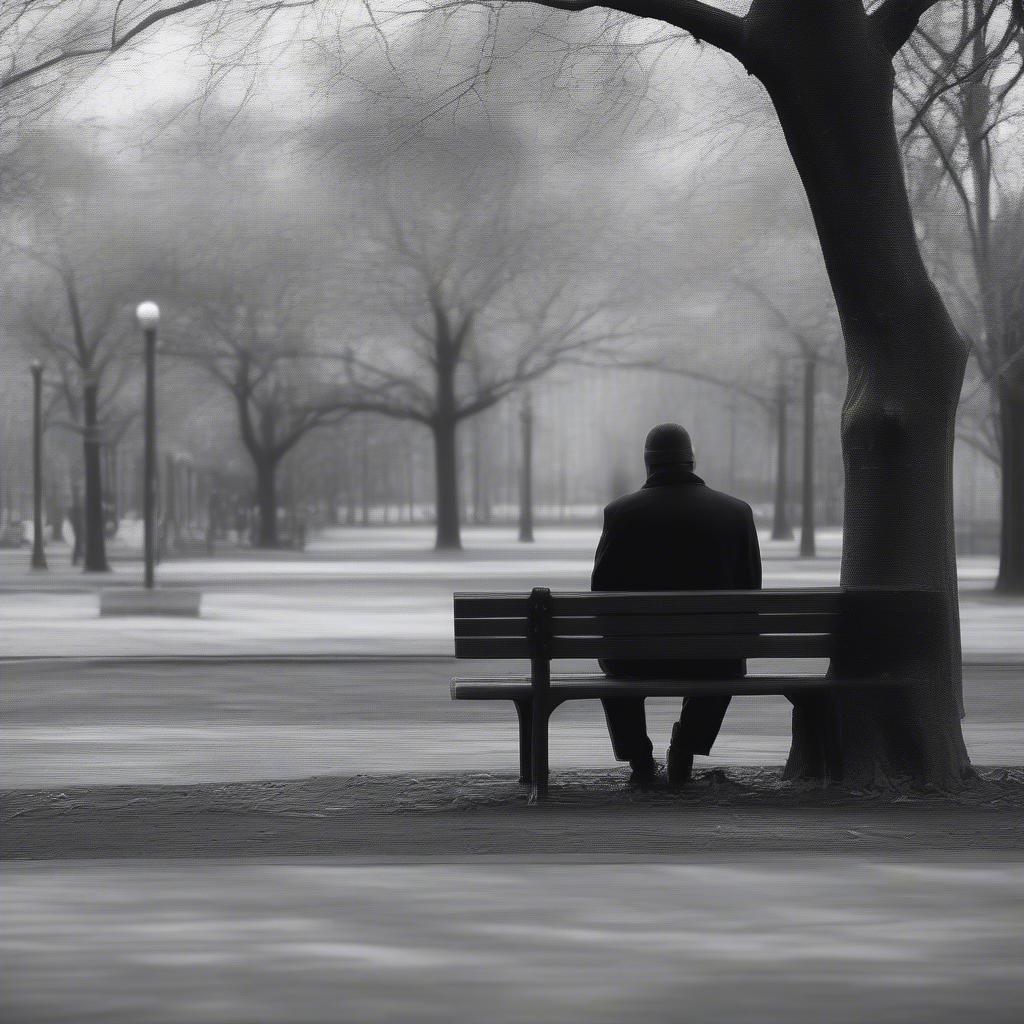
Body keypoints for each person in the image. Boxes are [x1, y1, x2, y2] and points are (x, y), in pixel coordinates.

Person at [591, 423, 761, 787]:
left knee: (613, 651)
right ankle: (685, 747)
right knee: (729, 656)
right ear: (691, 461)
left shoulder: (621, 513)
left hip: (635, 659)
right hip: (714, 659)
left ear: (647, 464)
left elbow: (601, 594)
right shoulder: (736, 513)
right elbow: (751, 589)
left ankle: (639, 759)